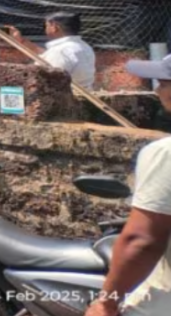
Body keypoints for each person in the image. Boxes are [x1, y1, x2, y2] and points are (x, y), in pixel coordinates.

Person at [85, 52, 171, 316]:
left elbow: (141, 240)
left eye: (163, 82)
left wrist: (106, 302)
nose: (158, 90)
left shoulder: (165, 153)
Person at [7, 12, 96, 90]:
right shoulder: (83, 46)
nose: (45, 29)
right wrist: (20, 41)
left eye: (46, 26)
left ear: (54, 27)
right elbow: (45, 56)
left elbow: (51, 82)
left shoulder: (60, 51)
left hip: (64, 102)